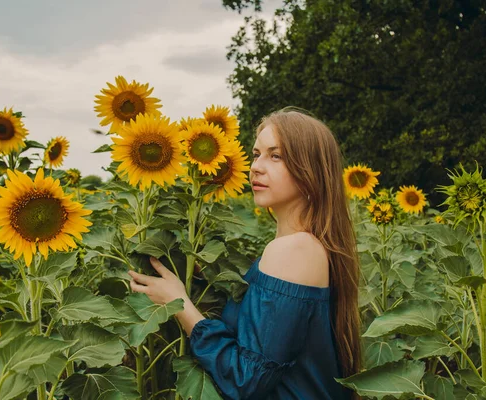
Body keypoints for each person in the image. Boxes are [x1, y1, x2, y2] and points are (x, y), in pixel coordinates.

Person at [128, 108, 361, 399]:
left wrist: (179, 303)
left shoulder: (295, 249)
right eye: (256, 154)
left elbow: (246, 378)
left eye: (276, 156)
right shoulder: (305, 246)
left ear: (310, 170)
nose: (256, 167)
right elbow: (266, 335)